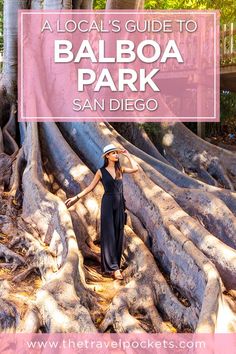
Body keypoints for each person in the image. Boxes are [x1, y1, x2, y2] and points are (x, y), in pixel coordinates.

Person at [65, 144, 139, 280]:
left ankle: (114, 264)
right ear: (107, 156)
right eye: (114, 153)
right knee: (109, 234)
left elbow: (136, 169)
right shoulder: (101, 171)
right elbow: (89, 188)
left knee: (118, 234)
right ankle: (114, 268)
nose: (116, 155)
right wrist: (76, 198)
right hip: (107, 204)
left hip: (120, 204)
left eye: (117, 153)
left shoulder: (120, 169)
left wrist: (127, 155)